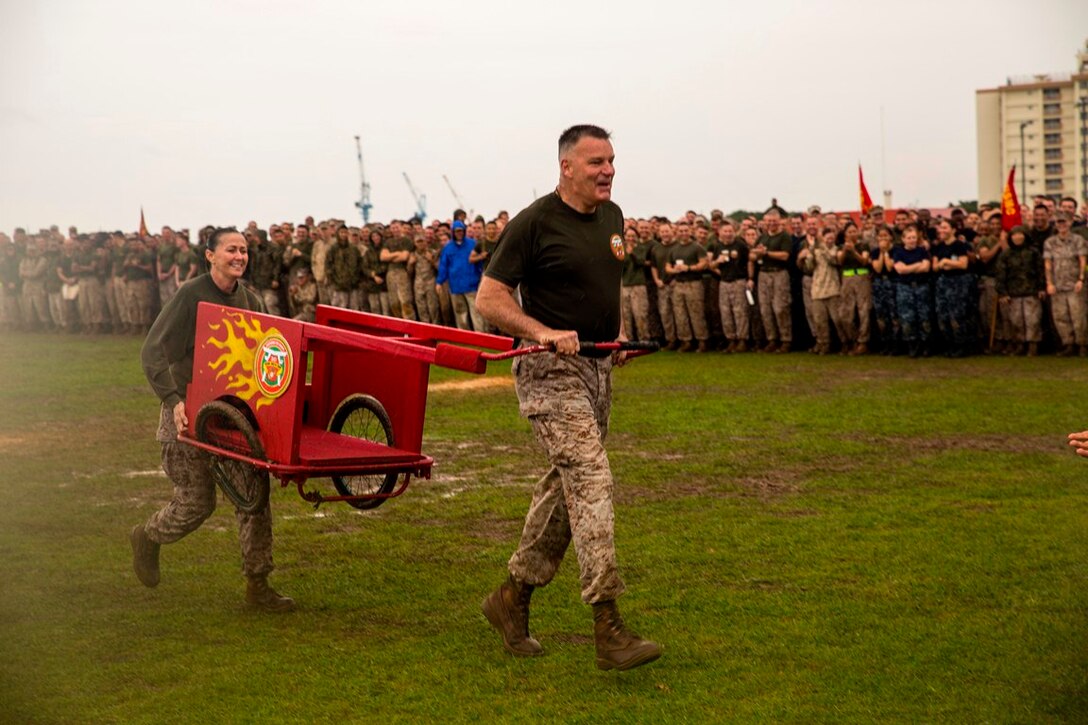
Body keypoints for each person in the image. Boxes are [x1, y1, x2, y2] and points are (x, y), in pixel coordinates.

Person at [475, 124, 661, 672]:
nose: (607, 170)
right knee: (591, 477)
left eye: (611, 161)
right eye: (596, 162)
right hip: (548, 371)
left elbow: (607, 285)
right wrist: (540, 332)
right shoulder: (533, 223)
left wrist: (617, 332)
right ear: (566, 167)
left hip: (598, 369)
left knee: (565, 487)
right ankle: (608, 624)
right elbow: (490, 298)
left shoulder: (613, 217)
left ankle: (511, 599)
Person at [130, 227, 293, 612]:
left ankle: (258, 586)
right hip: (185, 413)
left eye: (244, 250)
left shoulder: (251, 301)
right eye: (231, 249)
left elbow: (269, 357)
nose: (239, 256)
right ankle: (148, 535)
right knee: (197, 504)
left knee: (254, 497)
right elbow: (151, 352)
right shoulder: (190, 295)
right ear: (210, 255)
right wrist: (172, 399)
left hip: (230, 418)